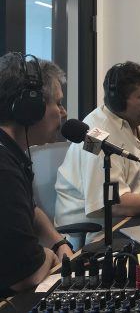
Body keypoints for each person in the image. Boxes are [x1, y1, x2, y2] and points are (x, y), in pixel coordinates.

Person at [55, 62, 140, 243]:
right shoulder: (94, 134)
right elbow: (114, 204)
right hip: (96, 232)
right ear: (119, 101)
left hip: (133, 221)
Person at [0, 52, 73, 297]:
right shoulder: (3, 169)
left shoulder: (10, 153)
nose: (63, 112)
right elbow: (25, 275)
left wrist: (59, 242)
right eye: (58, 103)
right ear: (30, 108)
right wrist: (50, 256)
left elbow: (30, 209)